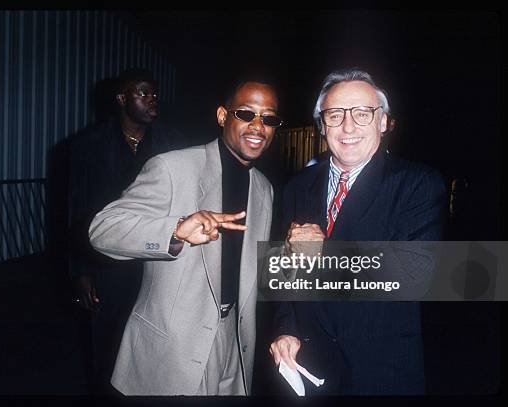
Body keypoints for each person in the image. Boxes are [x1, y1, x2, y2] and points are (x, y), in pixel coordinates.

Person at [87, 76, 282, 395]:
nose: (258, 126)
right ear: (223, 116)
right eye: (246, 113)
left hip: (235, 343)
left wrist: (302, 250)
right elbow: (103, 229)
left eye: (269, 118)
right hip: (174, 348)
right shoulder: (172, 168)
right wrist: (174, 231)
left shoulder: (264, 189)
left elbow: (253, 272)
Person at [269, 68, 446, 395]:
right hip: (310, 372)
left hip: (382, 375)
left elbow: (417, 277)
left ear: (382, 122)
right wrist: (285, 329)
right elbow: (284, 272)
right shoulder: (297, 188)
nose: (348, 126)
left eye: (362, 114)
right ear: (322, 125)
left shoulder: (417, 184)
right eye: (335, 115)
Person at [67, 68, 185, 394]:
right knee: (107, 346)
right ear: (122, 99)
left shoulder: (173, 143)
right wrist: (81, 272)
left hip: (158, 259)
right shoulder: (86, 146)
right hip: (108, 264)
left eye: (155, 94)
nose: (153, 100)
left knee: (155, 345)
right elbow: (76, 212)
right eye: (143, 93)